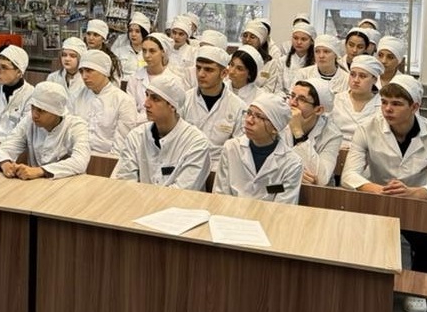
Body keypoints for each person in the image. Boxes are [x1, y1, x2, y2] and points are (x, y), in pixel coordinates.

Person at [341, 75, 427, 312]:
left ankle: (417, 287)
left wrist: (412, 192)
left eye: (397, 104)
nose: (388, 109)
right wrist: (379, 190)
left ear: (415, 106)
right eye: (384, 102)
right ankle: (367, 281)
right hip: (377, 199)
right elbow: (349, 175)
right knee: (355, 239)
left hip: (416, 202)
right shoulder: (367, 128)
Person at [112, 75, 210, 190]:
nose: (146, 104)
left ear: (172, 106)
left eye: (155, 99)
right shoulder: (136, 136)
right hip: (138, 200)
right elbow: (125, 181)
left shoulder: (196, 143)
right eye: (147, 95)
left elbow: (183, 191)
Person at [214, 92, 304, 204]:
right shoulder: (231, 148)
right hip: (228, 213)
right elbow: (220, 194)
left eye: (259, 117)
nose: (249, 120)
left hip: (269, 215)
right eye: (249, 113)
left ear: (275, 128)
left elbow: (283, 207)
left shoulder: (292, 163)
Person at [0, 81, 90, 179]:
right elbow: (4, 148)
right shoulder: (29, 121)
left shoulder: (76, 126)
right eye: (33, 107)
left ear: (56, 112)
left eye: (41, 110)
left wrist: (39, 171)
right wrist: (5, 163)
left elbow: (80, 162)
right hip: (34, 184)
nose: (34, 115)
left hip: (67, 185)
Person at [181, 44, 244, 174]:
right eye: (198, 68)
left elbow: (239, 149)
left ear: (224, 73)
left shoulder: (238, 107)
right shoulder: (184, 100)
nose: (201, 74)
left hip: (220, 169)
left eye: (208, 70)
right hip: (185, 164)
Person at [72, 50, 138, 156]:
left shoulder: (123, 101)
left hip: (107, 159)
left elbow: (121, 143)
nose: (84, 76)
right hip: (78, 156)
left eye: (89, 70)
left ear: (104, 71)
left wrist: (106, 162)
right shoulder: (77, 96)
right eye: (81, 71)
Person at [286, 79, 340, 185]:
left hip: (314, 193)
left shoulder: (332, 135)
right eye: (292, 96)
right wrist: (293, 174)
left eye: (302, 100)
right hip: (278, 186)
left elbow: (321, 180)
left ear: (318, 110)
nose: (292, 103)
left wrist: (298, 132)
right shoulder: (278, 121)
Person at [0, 45, 34, 140]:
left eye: (4, 67)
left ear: (19, 72)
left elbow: (22, 134)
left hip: (17, 147)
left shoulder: (31, 95)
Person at [329, 55, 382, 146]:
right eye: (352, 75)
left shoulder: (382, 105)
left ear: (374, 80)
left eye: (362, 76)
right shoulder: (336, 100)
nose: (356, 80)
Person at [275, 22, 316, 91]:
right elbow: (278, 88)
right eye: (295, 38)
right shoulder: (282, 61)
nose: (299, 42)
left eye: (303, 39)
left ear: (312, 41)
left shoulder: (315, 64)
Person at [47, 36, 88, 101]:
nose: (67, 59)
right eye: (64, 55)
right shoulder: (53, 78)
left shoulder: (86, 81)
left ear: (80, 59)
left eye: (72, 56)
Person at [240, 21, 277, 91]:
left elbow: (268, 88)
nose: (247, 39)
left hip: (260, 97)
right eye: (245, 36)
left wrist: (249, 94)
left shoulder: (270, 64)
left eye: (252, 37)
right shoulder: (233, 58)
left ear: (261, 41)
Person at [112, 12, 150, 78]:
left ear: (144, 33)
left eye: (137, 31)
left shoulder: (149, 53)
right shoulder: (119, 52)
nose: (133, 34)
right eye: (130, 31)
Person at [167, 15, 197, 87]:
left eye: (181, 34)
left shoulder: (193, 52)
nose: (176, 37)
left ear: (187, 36)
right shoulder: (165, 50)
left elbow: (193, 78)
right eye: (174, 33)